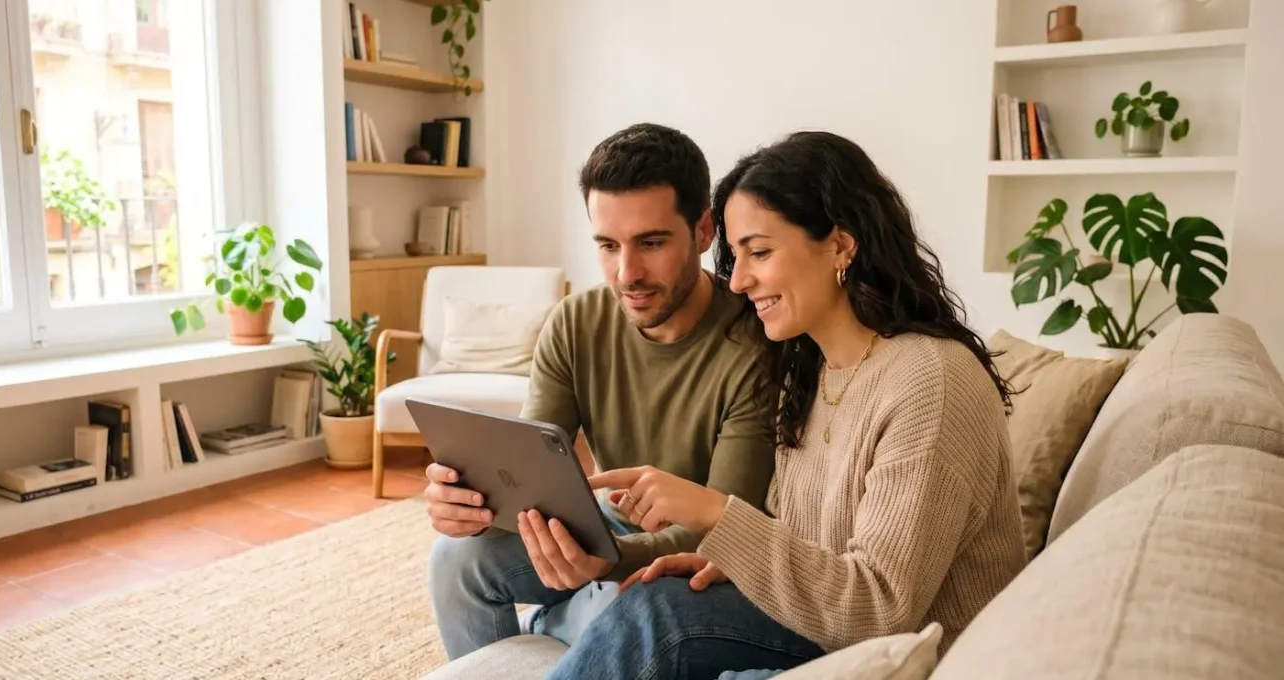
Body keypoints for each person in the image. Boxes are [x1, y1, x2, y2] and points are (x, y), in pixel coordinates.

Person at [543, 130, 1029, 680]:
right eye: (736, 254)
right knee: (657, 597)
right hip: (821, 633)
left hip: (913, 656)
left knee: (657, 617)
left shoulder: (929, 380)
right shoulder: (810, 370)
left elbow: (878, 610)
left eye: (761, 252)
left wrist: (713, 513)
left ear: (842, 245)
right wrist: (730, 561)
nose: (740, 279)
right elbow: (807, 545)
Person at [423, 122, 778, 661]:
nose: (627, 273)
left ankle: (567, 615)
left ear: (705, 232)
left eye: (651, 243)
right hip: (608, 521)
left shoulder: (754, 345)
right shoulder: (575, 323)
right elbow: (526, 475)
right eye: (608, 246)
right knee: (453, 558)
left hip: (697, 551)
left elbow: (723, 530)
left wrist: (605, 565)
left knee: (618, 611)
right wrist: (468, 503)